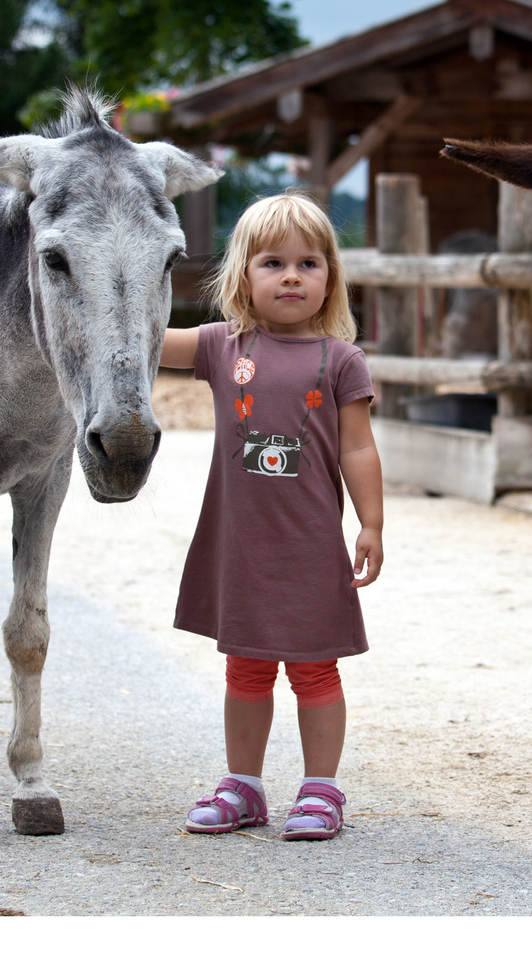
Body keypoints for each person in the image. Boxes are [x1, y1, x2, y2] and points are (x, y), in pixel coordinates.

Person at [159, 191, 383, 841]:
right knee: (246, 667)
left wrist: (370, 523)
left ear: (329, 279)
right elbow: (144, 340)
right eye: (272, 263)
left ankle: (320, 790)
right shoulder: (220, 347)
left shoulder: (341, 360)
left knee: (315, 667)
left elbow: (358, 446)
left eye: (308, 264)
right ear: (242, 277)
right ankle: (244, 787)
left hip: (311, 546)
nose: (290, 276)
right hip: (241, 548)